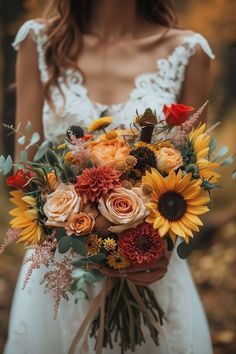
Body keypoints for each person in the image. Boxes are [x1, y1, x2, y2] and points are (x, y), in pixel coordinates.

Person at [4, 0, 214, 353]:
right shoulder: (37, 42)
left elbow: (191, 178)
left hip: (151, 271)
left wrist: (158, 247)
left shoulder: (189, 51)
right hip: (58, 273)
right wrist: (80, 227)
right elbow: (26, 175)